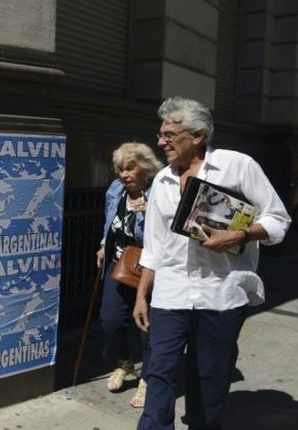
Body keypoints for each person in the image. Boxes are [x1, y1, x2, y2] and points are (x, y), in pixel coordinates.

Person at [133, 97, 292, 429]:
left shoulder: (238, 166)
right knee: (159, 371)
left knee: (209, 378)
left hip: (221, 293)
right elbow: (154, 247)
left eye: (169, 135)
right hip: (170, 293)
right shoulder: (161, 181)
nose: (160, 142)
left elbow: (278, 220)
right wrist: (141, 295)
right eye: (160, 134)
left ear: (198, 135)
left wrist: (238, 236)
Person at [96, 142, 164, 407]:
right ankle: (125, 364)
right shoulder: (116, 190)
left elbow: (171, 231)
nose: (124, 175)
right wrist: (103, 244)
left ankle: (148, 377)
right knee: (110, 320)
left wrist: (155, 214)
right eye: (120, 169)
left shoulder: (159, 193)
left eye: (130, 168)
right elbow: (109, 220)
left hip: (149, 267)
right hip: (120, 263)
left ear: (145, 168)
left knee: (146, 325)